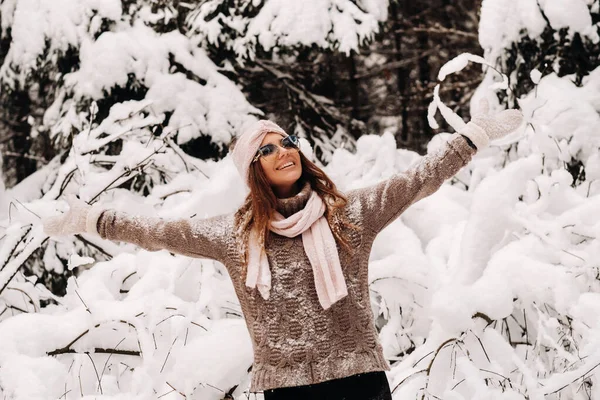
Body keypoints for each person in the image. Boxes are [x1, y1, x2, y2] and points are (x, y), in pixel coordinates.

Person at [43, 100, 522, 400]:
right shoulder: (235, 236)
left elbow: (418, 179)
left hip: (359, 383)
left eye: (288, 141)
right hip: (285, 390)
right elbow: (162, 231)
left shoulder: (348, 215)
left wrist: (471, 137)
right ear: (253, 169)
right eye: (268, 149)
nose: (284, 151)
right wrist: (91, 219)